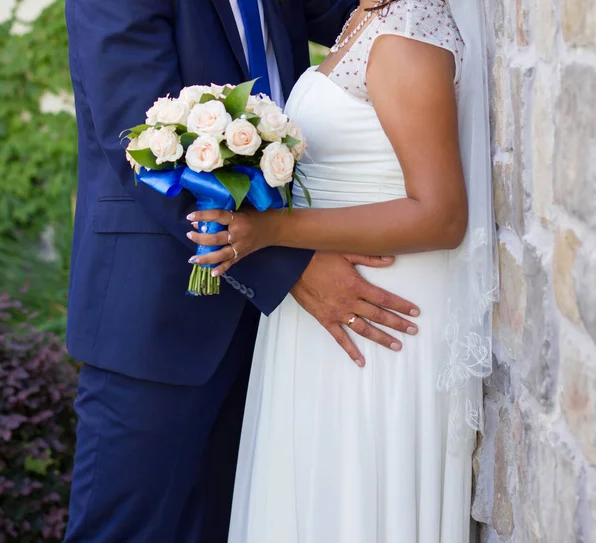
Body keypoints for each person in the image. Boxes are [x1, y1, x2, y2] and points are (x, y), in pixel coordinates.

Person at [63, 0, 423, 541]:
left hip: (273, 337)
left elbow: (360, 12)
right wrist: (291, 264)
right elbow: (145, 148)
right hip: (158, 319)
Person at [188, 0, 497, 541]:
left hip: (377, 318)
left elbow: (441, 215)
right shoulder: (364, 16)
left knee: (357, 503)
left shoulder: (409, 29)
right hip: (328, 312)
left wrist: (274, 231)